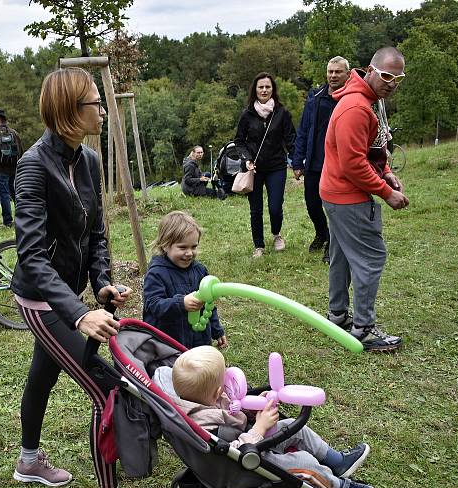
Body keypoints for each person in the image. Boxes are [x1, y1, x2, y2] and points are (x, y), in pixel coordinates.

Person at [11, 67, 159, 488]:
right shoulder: (34, 164)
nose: (102, 109)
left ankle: (28, 460)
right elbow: (32, 257)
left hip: (73, 297)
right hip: (41, 301)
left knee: (43, 372)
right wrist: (78, 314)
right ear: (69, 110)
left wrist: (101, 286)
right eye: (95, 102)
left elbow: (96, 232)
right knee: (109, 390)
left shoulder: (89, 160)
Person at [167, 346, 376, 488]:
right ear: (216, 392)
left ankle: (337, 462)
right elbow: (231, 450)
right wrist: (259, 427)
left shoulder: (205, 398)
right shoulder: (203, 423)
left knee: (296, 428)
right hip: (244, 464)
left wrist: (256, 404)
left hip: (253, 445)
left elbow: (232, 410)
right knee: (303, 462)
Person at [321, 47, 410, 352]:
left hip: (338, 193)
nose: (391, 83)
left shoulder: (369, 102)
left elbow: (371, 149)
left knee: (343, 255)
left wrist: (385, 171)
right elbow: (353, 164)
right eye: (386, 76)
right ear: (370, 70)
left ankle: (337, 316)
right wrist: (386, 193)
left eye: (398, 79)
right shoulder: (357, 108)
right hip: (348, 197)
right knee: (370, 259)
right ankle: (363, 329)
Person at [293, 57, 351, 263]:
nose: (333, 75)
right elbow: (303, 129)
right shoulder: (315, 97)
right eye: (330, 72)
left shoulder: (351, 99)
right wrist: (297, 161)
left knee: (334, 207)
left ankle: (332, 245)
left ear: (347, 74)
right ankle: (322, 233)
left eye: (338, 72)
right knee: (312, 204)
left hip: (339, 165)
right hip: (315, 163)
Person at [143, 211, 228, 349]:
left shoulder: (199, 270)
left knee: (200, 368)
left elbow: (209, 304)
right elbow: (153, 305)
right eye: (182, 247)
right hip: (168, 344)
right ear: (165, 245)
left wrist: (217, 330)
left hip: (199, 340)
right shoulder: (157, 273)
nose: (189, 253)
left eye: (194, 247)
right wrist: (181, 303)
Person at [234, 73, 297, 258]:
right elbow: (239, 141)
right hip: (254, 168)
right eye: (261, 87)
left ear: (273, 90)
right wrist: (246, 159)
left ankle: (277, 235)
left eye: (267, 87)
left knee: (275, 207)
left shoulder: (281, 113)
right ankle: (259, 245)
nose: (264, 90)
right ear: (255, 89)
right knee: (256, 209)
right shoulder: (247, 114)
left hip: (277, 166)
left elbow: (290, 139)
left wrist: (297, 161)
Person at [0, 108, 23, 227]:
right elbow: (20, 150)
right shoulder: (14, 132)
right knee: (15, 193)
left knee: (4, 195)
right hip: (13, 168)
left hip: (0, 169)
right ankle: (22, 216)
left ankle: (7, 221)